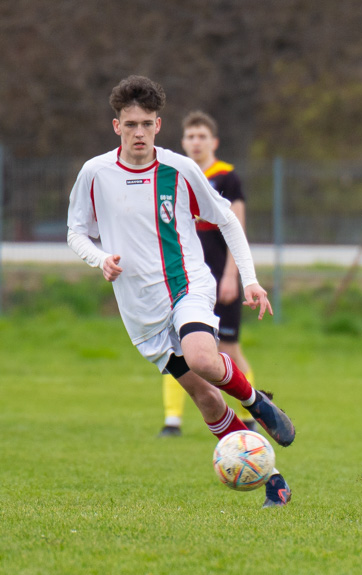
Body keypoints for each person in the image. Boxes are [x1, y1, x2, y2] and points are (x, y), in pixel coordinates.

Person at [66, 75, 295, 508]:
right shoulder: (95, 173)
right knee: (207, 400)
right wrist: (100, 259)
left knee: (204, 359)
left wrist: (249, 279)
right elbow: (76, 232)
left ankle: (256, 401)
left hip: (186, 283)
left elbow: (227, 219)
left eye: (147, 124)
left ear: (158, 125)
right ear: (116, 126)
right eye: (130, 124)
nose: (139, 133)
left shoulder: (179, 168)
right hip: (139, 309)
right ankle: (273, 480)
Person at [158, 111, 257, 438]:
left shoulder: (227, 177)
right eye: (190, 137)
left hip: (220, 277)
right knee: (178, 348)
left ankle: (251, 413)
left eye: (202, 136)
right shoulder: (172, 174)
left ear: (213, 142)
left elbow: (236, 226)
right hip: (184, 281)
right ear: (183, 142)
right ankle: (173, 420)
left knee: (226, 347)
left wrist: (232, 276)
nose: (196, 142)